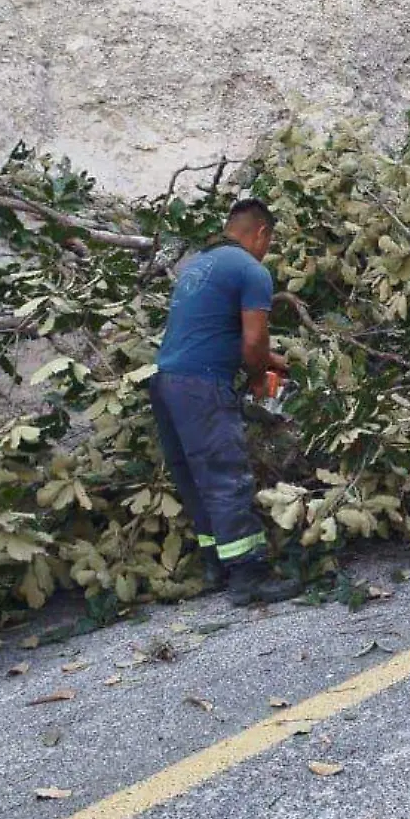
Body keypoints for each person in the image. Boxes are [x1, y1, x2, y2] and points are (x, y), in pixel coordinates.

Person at [149, 198, 300, 605]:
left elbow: (214, 332)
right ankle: (249, 576)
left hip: (166, 383)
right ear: (262, 234)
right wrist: (258, 377)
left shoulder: (199, 266)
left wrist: (276, 361)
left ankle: (217, 564)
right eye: (268, 242)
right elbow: (252, 342)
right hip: (202, 386)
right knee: (226, 474)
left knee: (197, 479)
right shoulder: (252, 270)